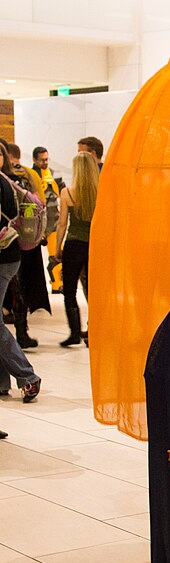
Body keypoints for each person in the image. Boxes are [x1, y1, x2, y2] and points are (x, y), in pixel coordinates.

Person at [0, 145, 42, 402]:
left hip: (3, 257)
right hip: (9, 255)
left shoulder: (4, 182)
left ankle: (28, 377)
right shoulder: (8, 180)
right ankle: (2, 381)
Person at [0, 142, 50, 349]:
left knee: (17, 287)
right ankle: (21, 331)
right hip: (21, 240)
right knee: (19, 287)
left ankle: (20, 338)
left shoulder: (9, 180)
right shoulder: (24, 176)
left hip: (9, 243)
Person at [55, 151, 98, 347]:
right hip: (93, 246)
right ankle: (92, 332)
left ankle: (74, 332)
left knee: (70, 290)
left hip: (73, 246)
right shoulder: (101, 193)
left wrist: (57, 248)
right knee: (93, 291)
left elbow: (62, 224)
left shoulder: (67, 193)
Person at [32, 146, 65, 294]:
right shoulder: (30, 176)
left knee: (56, 256)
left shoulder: (54, 175)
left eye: (46, 159)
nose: (45, 162)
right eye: (42, 160)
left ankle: (57, 285)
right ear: (34, 160)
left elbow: (63, 193)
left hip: (52, 222)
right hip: (34, 224)